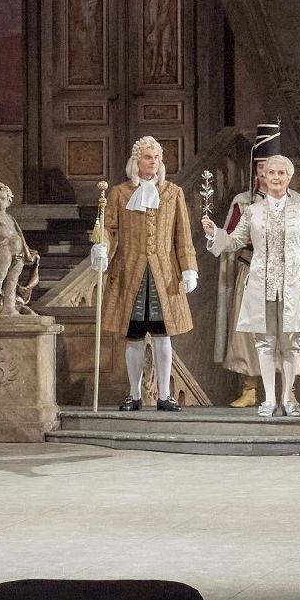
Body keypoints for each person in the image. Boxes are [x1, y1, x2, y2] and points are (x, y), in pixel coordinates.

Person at [202, 145, 300, 416]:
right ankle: (269, 399)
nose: (276, 177)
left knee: (291, 343)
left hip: (293, 284)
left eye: (281, 173)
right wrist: (215, 233)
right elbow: (234, 241)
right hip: (261, 283)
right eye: (271, 173)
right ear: (263, 177)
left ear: (289, 177)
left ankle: (288, 398)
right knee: (265, 343)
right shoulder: (253, 211)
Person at [91, 135, 199, 411]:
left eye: (157, 158)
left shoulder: (172, 193)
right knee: (134, 335)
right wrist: (102, 246)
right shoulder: (120, 193)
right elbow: (109, 229)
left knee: (163, 335)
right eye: (148, 157)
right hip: (130, 273)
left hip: (164, 274)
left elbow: (182, 236)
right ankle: (134, 394)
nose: (153, 162)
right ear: (136, 161)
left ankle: (165, 395)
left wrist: (189, 268)